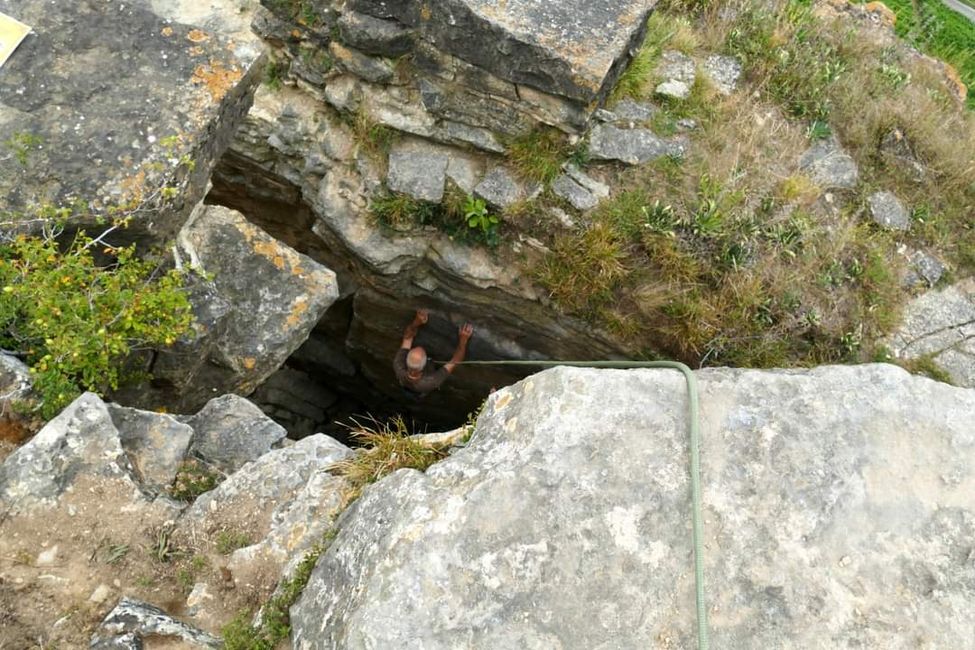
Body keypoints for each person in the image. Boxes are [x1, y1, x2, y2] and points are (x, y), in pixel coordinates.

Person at [394, 308, 473, 395]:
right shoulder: (431, 380)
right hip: (421, 388)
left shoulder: (398, 365)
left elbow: (407, 338)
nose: (421, 347)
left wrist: (416, 322)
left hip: (406, 381)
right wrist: (463, 340)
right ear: (424, 365)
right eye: (423, 351)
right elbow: (455, 361)